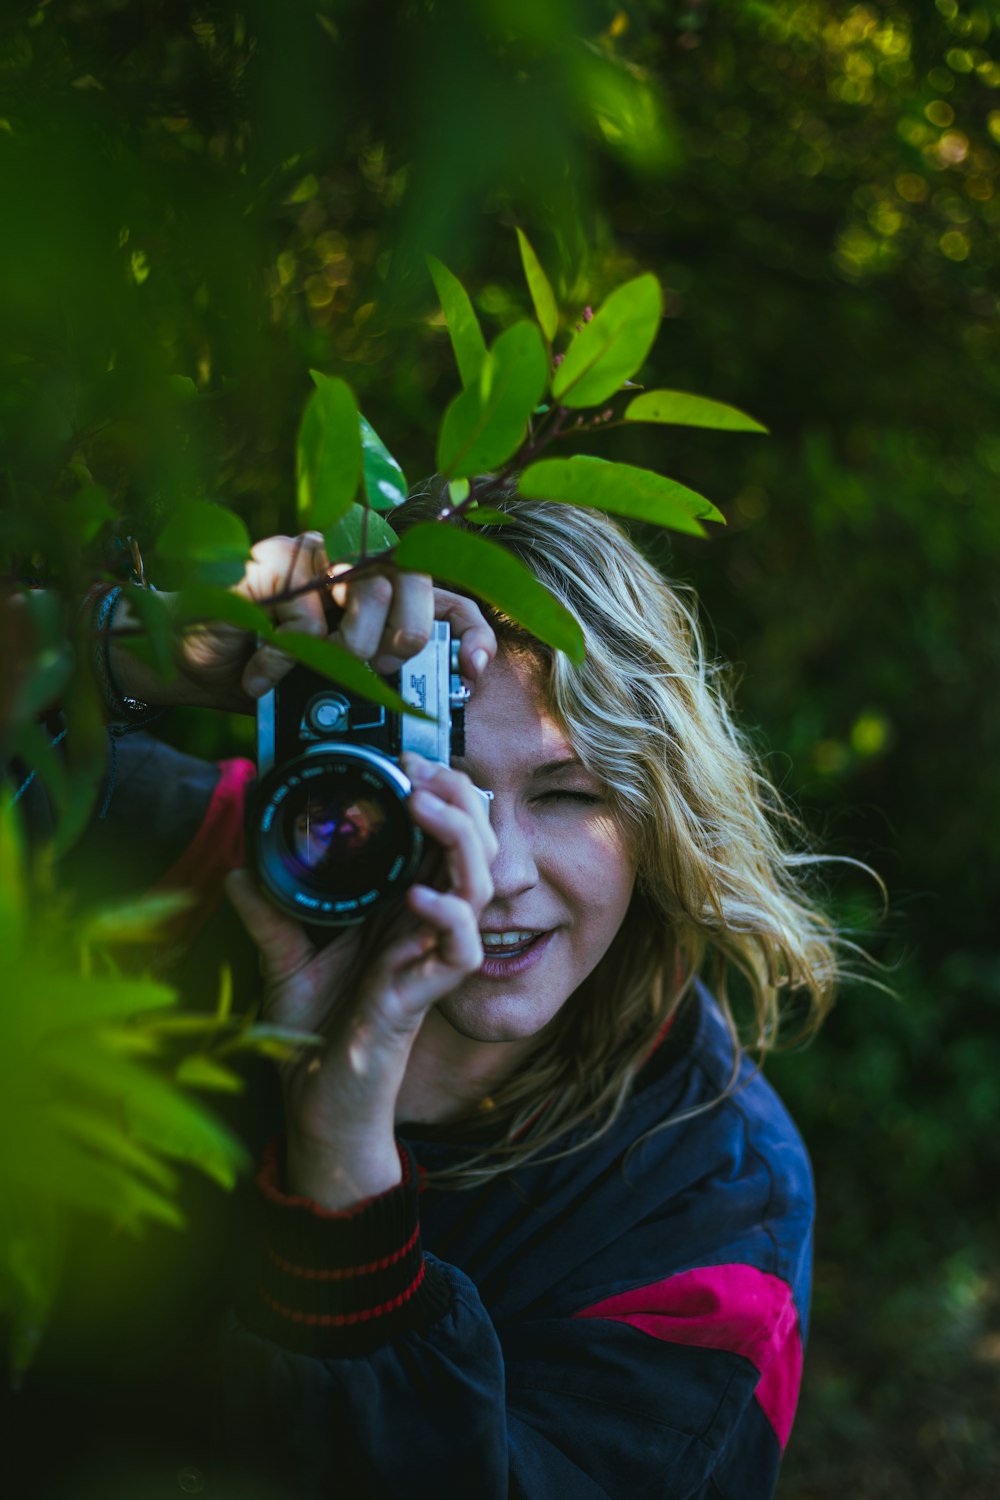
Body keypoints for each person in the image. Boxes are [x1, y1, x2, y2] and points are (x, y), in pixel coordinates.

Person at [96, 489, 840, 1499]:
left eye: (569, 795)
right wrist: (129, 647)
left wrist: (344, 1170)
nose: (488, 871)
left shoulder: (710, 1207)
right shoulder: (210, 869)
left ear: (660, 818)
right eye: (422, 781)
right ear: (335, 768)